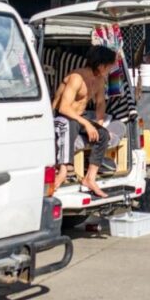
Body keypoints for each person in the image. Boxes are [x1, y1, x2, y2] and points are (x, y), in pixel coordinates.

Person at [53, 45, 118, 198]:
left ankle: (90, 178)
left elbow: (100, 103)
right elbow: (63, 108)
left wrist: (99, 124)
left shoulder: (100, 80)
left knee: (103, 134)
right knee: (69, 124)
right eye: (109, 66)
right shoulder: (77, 78)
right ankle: (63, 170)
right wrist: (87, 124)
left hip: (78, 116)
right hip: (59, 116)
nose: (110, 69)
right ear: (101, 65)